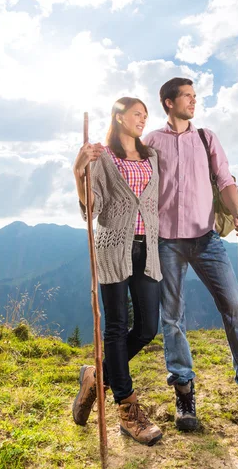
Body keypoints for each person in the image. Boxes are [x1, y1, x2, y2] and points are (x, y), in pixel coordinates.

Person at [143, 77, 238, 433]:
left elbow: (225, 181)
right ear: (168, 102)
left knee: (235, 309)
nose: (194, 102)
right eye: (187, 97)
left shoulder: (206, 138)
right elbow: (137, 182)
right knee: (172, 318)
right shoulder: (151, 142)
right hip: (166, 242)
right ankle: (184, 394)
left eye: (195, 96)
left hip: (207, 239)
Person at [72, 97, 163, 446]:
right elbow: (91, 206)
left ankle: (97, 376)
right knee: (116, 326)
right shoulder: (103, 157)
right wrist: (77, 171)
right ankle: (127, 409)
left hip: (148, 248)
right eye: (137, 113)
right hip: (113, 246)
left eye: (145, 115)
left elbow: (155, 202)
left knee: (146, 328)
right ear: (119, 116)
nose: (142, 119)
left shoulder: (152, 156)